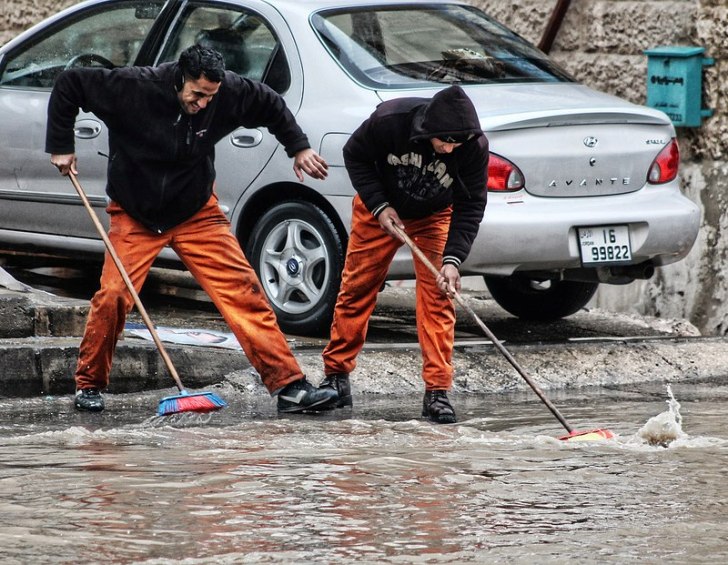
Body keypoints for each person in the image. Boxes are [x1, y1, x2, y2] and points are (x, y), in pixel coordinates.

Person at [46, 45, 339, 414]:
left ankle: (289, 386)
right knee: (114, 296)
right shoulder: (134, 87)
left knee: (243, 292)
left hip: (196, 210)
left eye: (210, 96)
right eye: (197, 94)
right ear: (180, 79)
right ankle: (89, 384)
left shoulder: (229, 91)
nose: (202, 103)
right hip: (135, 212)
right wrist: (61, 145)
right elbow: (70, 83)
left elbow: (270, 103)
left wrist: (298, 148)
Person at [320, 85, 489, 424]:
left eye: (457, 144)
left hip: (434, 216)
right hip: (379, 210)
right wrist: (379, 206)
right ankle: (337, 376)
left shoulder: (474, 147)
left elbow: (471, 205)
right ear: (428, 130)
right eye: (445, 141)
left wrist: (453, 260)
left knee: (439, 297)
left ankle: (437, 392)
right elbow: (354, 155)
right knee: (356, 288)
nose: (449, 149)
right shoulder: (390, 121)